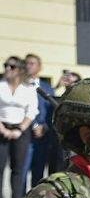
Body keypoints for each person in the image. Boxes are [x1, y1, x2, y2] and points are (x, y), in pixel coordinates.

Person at [0, 55, 39, 198]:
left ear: (20, 70)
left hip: (21, 130)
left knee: (18, 169)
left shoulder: (28, 88)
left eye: (12, 66)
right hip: (1, 127)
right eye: (5, 65)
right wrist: (3, 129)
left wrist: (19, 129)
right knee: (0, 166)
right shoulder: (1, 84)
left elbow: (32, 111)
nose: (7, 69)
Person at [23, 54, 55, 187]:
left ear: (39, 67)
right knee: (21, 171)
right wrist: (34, 125)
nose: (28, 66)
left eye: (32, 63)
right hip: (25, 135)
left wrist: (45, 127)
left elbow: (51, 111)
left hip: (43, 137)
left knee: (38, 172)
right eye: (27, 63)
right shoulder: (20, 86)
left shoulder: (48, 88)